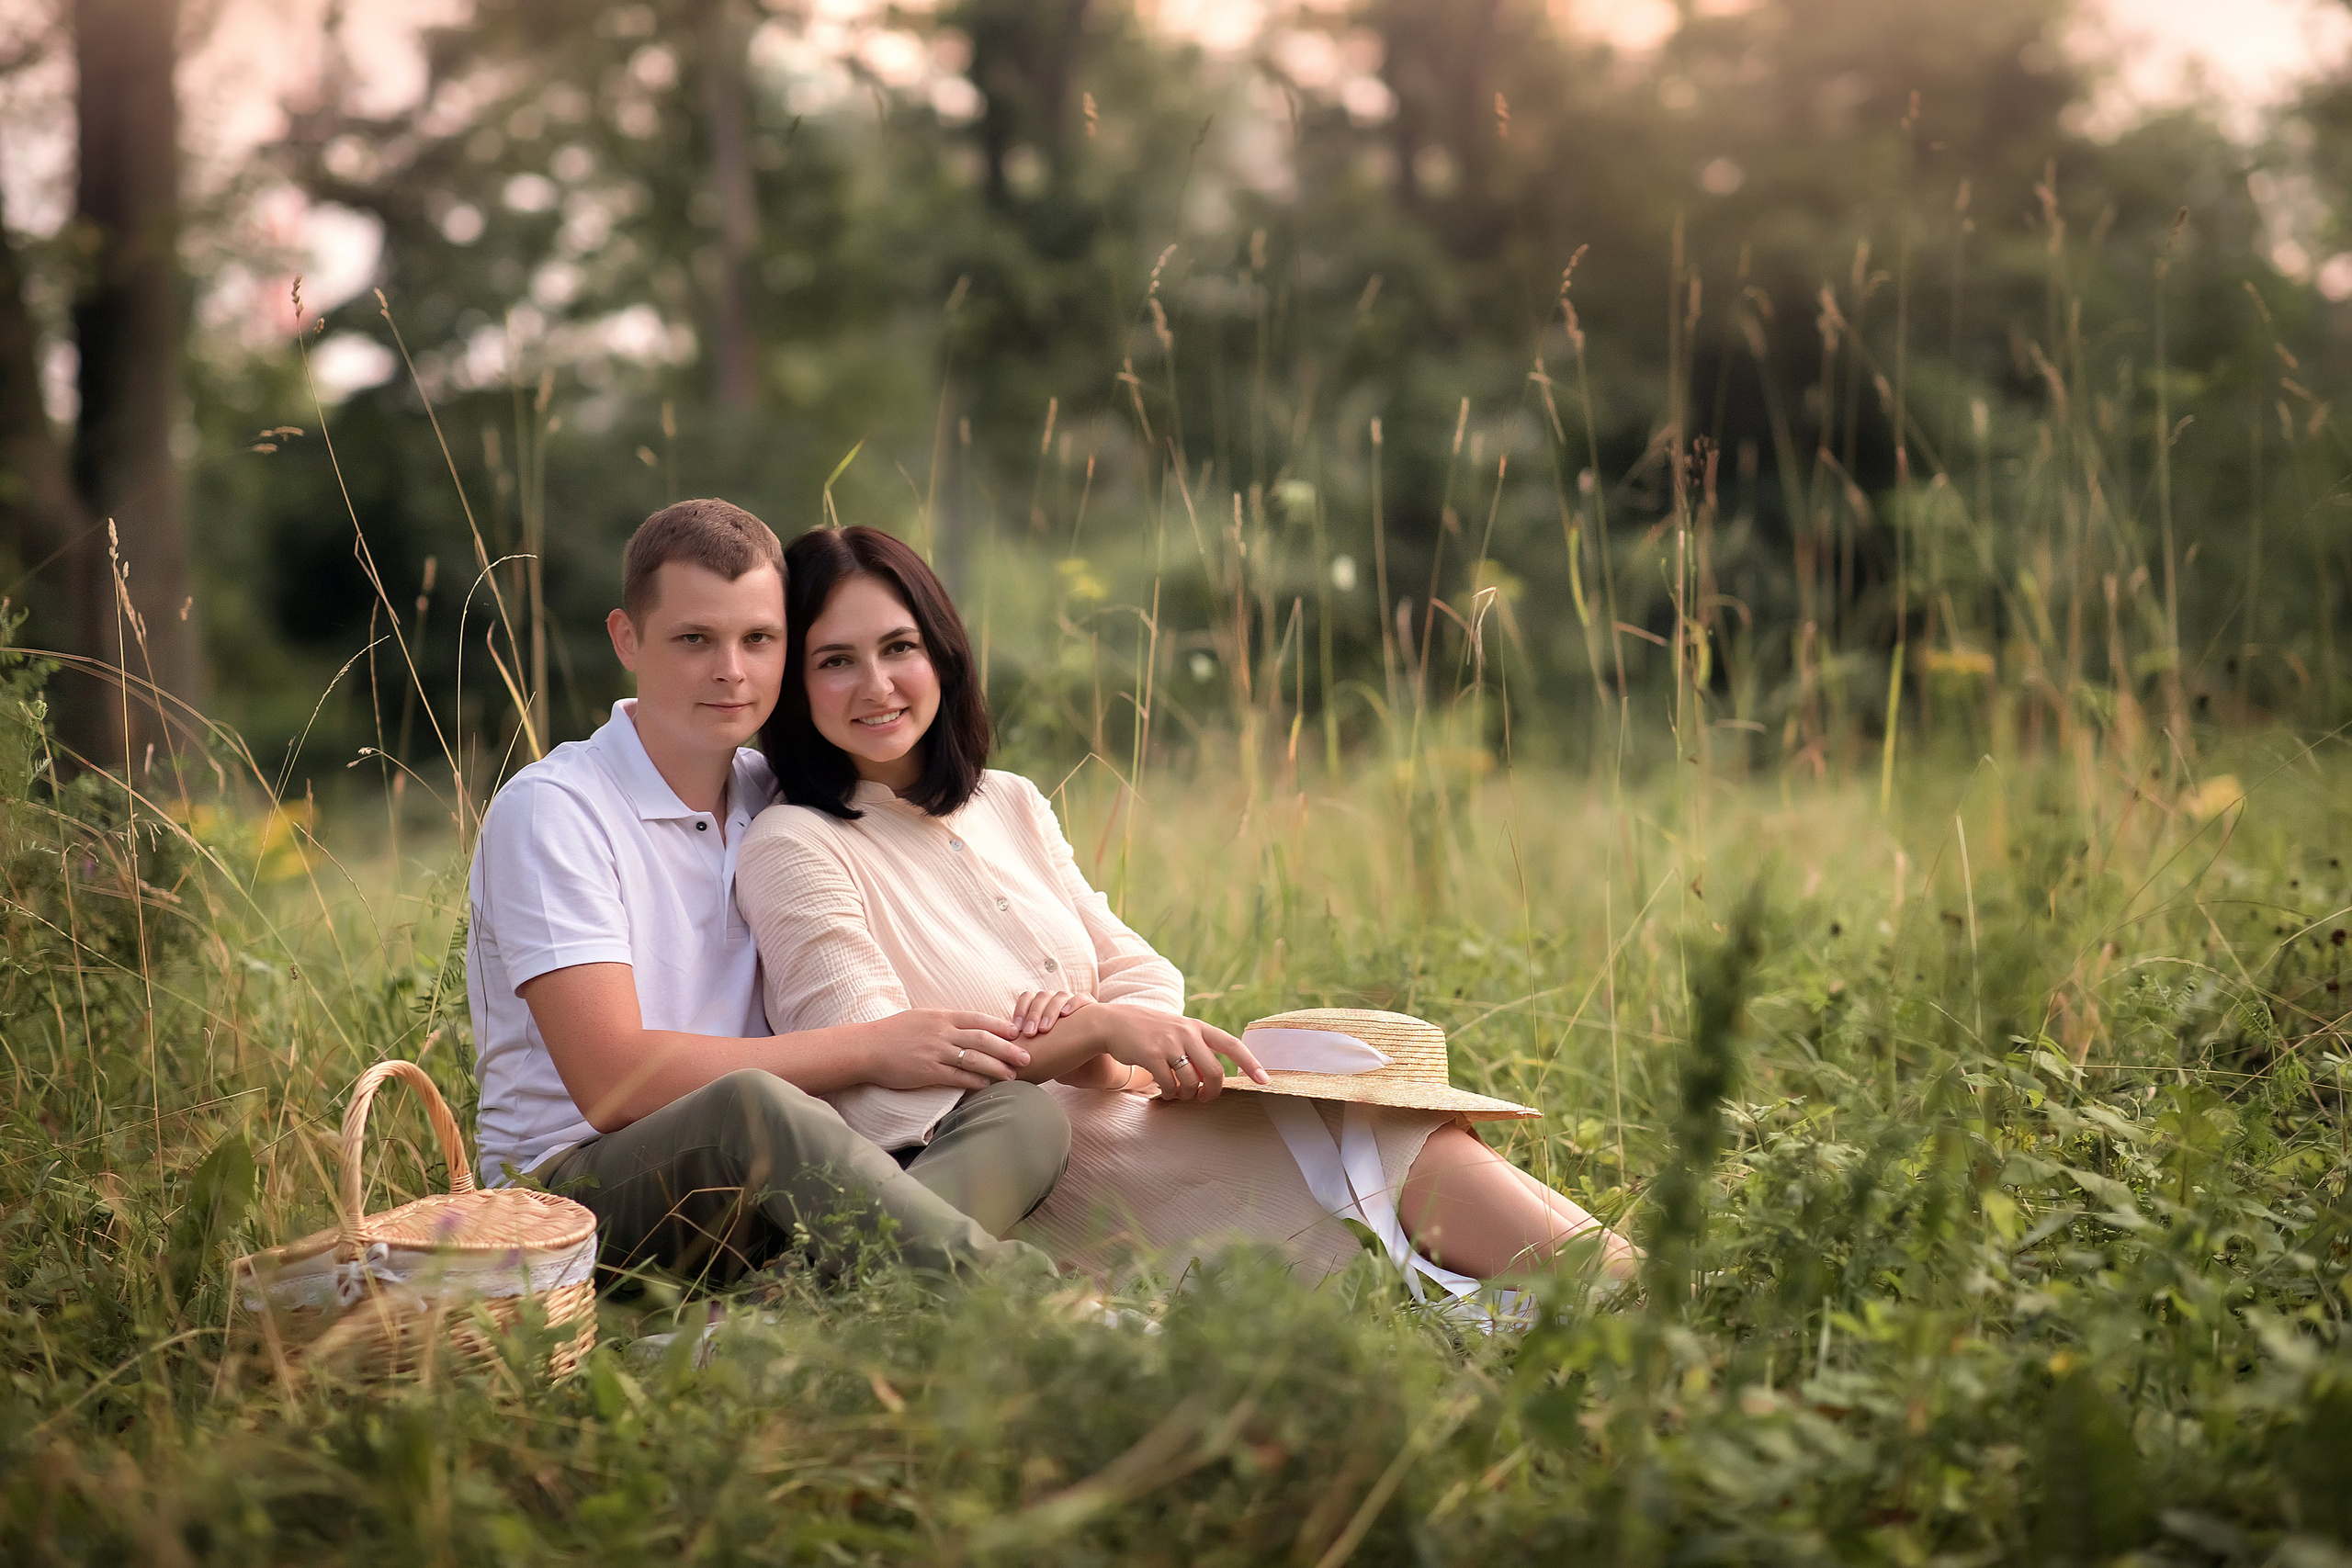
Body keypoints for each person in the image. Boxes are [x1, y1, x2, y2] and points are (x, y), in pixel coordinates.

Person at [733, 524, 1639, 1291]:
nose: (878, 685)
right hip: (1043, 1181)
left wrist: (1113, 1040)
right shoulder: (796, 845)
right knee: (1368, 1141)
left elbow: (1140, 972)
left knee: (1386, 1115)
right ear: (793, 684)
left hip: (1134, 1117)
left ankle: (1637, 1289)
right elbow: (875, 1083)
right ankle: (1641, 1303)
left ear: (941, 651)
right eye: (835, 662)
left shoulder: (1004, 802)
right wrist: (1084, 1038)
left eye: (899, 648)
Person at [464, 499, 1069, 1292]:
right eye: (694, 640)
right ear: (626, 638)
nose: (732, 671)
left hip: (777, 1172)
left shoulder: (777, 795)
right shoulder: (555, 810)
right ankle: (1034, 1306)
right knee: (751, 1105)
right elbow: (612, 1083)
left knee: (1020, 1112)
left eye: (760, 639)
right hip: (575, 1199)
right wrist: (873, 1045)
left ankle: (790, 1322)